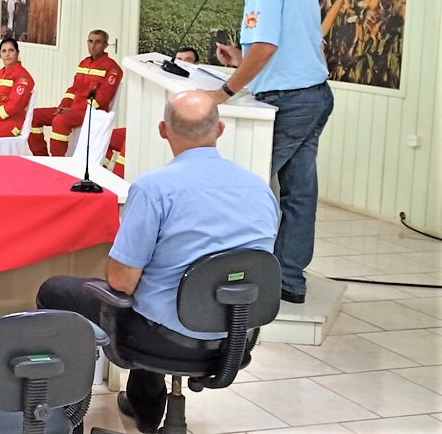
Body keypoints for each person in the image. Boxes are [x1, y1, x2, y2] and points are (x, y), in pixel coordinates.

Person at [35, 91, 278, 434]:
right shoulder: (259, 189)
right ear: (220, 129)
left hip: (168, 338)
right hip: (235, 336)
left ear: (163, 130)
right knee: (156, 300)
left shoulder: (154, 189)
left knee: (58, 291)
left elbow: (121, 281)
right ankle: (142, 406)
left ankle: (63, 419)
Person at [207, 0, 333, 304]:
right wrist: (240, 59)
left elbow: (265, 46)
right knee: (299, 193)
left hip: (290, 103)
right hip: (314, 96)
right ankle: (289, 279)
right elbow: (286, 48)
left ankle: (232, 273)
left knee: (247, 185)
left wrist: (224, 92)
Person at [28, 30, 123, 157]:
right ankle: (42, 157)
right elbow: (73, 89)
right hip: (72, 109)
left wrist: (72, 110)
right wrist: (63, 106)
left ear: (105, 45)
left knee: (60, 121)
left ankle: (58, 161)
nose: (93, 46)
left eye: (98, 42)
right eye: (90, 41)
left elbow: (102, 98)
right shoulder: (84, 63)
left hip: (92, 112)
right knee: (33, 116)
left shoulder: (113, 68)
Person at [109, 47, 198, 178]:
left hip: (168, 133)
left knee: (131, 143)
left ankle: (119, 182)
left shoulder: (197, 89)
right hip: (146, 125)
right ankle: (100, 178)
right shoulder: (163, 83)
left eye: (188, 60)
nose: (183, 64)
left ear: (196, 64)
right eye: (179, 60)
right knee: (110, 137)